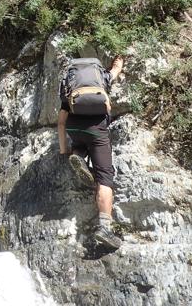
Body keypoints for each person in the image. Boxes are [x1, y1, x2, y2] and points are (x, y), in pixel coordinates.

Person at [57, 55, 124, 249]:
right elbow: (115, 71)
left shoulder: (69, 86)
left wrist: (63, 151)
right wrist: (118, 63)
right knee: (105, 178)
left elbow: (61, 122)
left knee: (80, 141)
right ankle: (105, 228)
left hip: (74, 128)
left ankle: (77, 154)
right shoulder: (102, 77)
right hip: (97, 131)